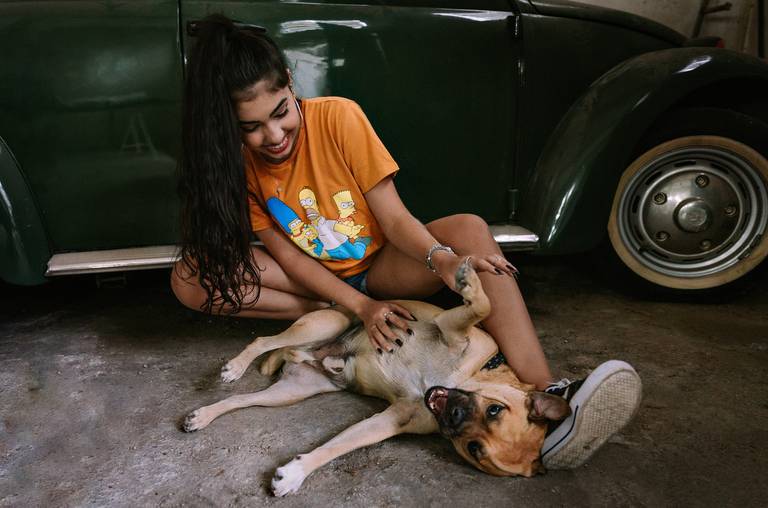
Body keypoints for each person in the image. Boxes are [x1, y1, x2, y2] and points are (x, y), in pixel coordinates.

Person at [170, 14, 641, 469]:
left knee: (469, 229)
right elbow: (289, 257)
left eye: (280, 114)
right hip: (316, 280)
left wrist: (443, 259)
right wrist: (358, 308)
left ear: (291, 84)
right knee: (190, 277)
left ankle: (546, 390)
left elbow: (395, 220)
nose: (273, 136)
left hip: (382, 268)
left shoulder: (338, 117)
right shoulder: (236, 167)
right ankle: (332, 316)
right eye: (249, 127)